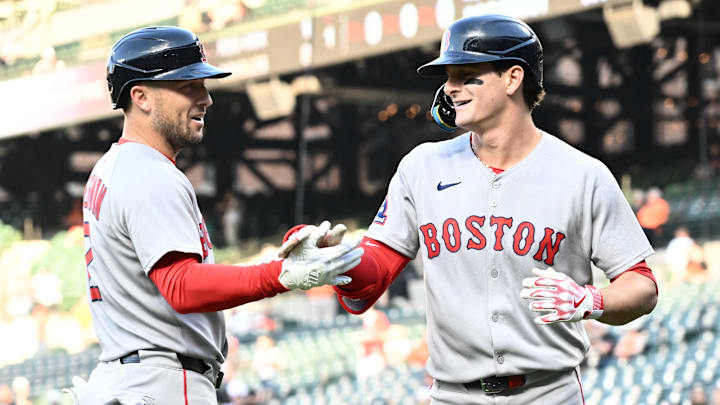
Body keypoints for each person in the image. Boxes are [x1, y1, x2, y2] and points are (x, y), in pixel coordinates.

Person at [290, 14, 658, 404]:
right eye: (447, 77)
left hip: (549, 393)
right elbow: (376, 270)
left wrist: (591, 301)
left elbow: (642, 286)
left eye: (466, 75)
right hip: (453, 396)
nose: (449, 89)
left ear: (513, 78)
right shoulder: (422, 167)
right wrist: (340, 261)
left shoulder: (583, 175)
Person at [73, 26, 363, 405]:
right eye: (187, 86)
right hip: (161, 382)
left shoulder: (112, 168)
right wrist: (280, 275)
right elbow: (180, 285)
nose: (205, 98)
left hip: (130, 376)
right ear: (140, 96)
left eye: (203, 86)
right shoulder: (149, 173)